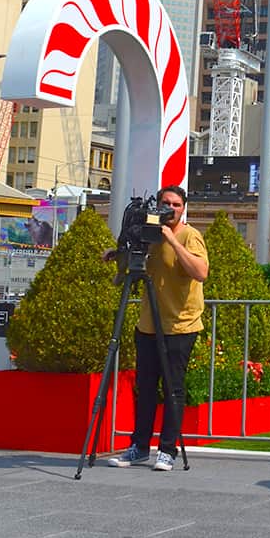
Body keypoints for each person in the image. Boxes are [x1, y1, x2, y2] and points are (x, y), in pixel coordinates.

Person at [107, 186, 208, 473]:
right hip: (149, 324)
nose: (170, 209)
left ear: (183, 208)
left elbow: (200, 272)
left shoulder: (190, 236)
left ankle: (167, 450)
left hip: (181, 324)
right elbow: (134, 263)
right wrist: (118, 253)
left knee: (173, 388)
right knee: (146, 388)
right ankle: (139, 447)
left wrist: (172, 242)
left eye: (176, 205)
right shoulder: (150, 232)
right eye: (165, 203)